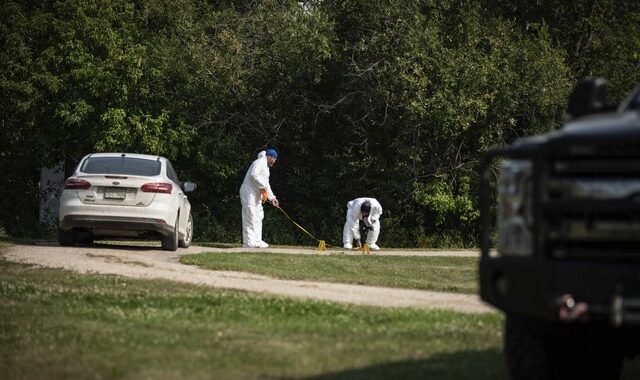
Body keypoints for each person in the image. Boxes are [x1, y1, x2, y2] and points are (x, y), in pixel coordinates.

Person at [240, 148, 280, 248]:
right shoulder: (259, 162)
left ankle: (257, 240)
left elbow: (266, 185)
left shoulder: (266, 168)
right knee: (250, 216)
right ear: (270, 157)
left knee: (258, 217)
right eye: (274, 159)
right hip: (248, 192)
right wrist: (262, 187)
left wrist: (272, 198)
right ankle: (249, 242)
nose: (274, 161)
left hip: (256, 194)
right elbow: (254, 175)